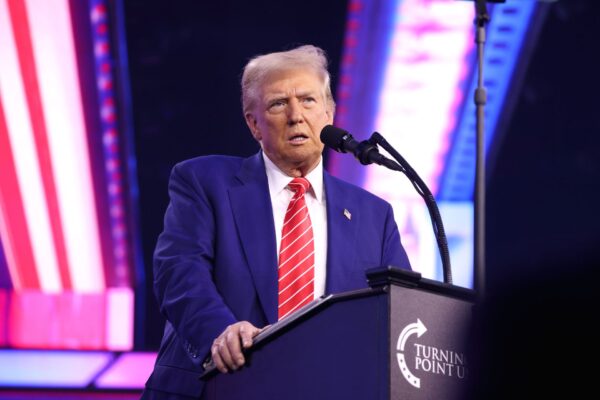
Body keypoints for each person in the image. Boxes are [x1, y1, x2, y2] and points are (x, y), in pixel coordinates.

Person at [141, 45, 411, 399]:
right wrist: (219, 332)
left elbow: (402, 310)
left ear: (329, 113)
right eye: (278, 103)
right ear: (254, 124)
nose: (296, 115)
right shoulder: (204, 181)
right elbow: (179, 270)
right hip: (220, 386)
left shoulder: (374, 215)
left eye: (308, 101)